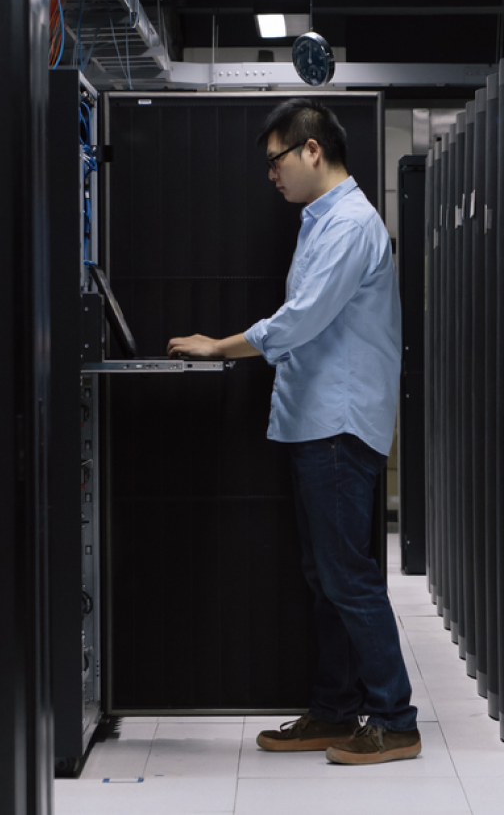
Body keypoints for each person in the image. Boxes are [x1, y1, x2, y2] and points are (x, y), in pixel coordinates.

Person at [165, 98, 419, 766]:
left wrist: (222, 345)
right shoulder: (321, 221)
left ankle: (395, 717)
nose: (270, 174)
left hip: (338, 424)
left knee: (347, 577)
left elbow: (301, 318)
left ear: (312, 150)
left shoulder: (350, 225)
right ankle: (336, 710)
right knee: (325, 575)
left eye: (276, 160)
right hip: (318, 422)